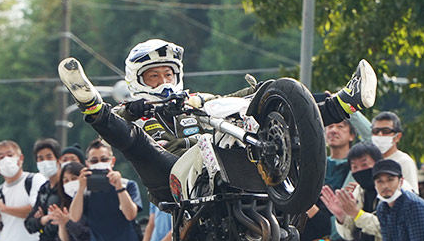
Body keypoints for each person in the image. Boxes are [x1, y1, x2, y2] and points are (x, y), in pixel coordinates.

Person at [58, 38, 377, 205]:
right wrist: (139, 108)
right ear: (138, 81)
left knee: (261, 107)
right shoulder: (131, 109)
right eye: (153, 77)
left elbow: (235, 102)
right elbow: (121, 125)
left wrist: (260, 95)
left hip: (217, 163)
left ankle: (342, 103)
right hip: (169, 174)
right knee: (135, 142)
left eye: (168, 73)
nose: (163, 80)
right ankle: (89, 103)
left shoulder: (195, 99)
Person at [68, 139, 142, 241]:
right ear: (87, 164)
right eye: (94, 161)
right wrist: (80, 189)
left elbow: (130, 215)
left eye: (104, 159)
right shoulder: (85, 191)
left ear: (112, 161)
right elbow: (74, 217)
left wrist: (119, 187)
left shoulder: (127, 185)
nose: (99, 164)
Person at [323, 142, 387, 241]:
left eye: (364, 164)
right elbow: (349, 235)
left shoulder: (392, 191)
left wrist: (357, 214)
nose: (360, 171)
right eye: (355, 167)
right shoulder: (359, 191)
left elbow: (388, 228)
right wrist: (341, 216)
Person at [24, 138, 68, 241]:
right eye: (40, 158)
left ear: (58, 159)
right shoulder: (44, 188)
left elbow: (59, 222)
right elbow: (29, 224)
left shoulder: (66, 186)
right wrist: (43, 220)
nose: (45, 162)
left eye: (49, 157)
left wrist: (43, 223)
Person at [50, 162, 90, 241]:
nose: (70, 183)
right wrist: (62, 224)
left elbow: (86, 236)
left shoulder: (92, 203)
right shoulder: (65, 206)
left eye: (74, 178)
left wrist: (68, 223)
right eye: (66, 181)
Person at [369, 111, 418, 189]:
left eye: (386, 131)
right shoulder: (369, 161)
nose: (380, 134)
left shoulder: (404, 161)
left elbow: (412, 195)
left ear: (397, 137)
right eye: (376, 131)